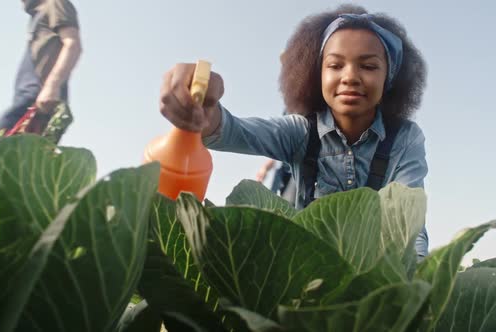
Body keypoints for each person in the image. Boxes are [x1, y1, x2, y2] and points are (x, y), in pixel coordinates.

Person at [159, 4, 429, 258]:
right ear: (317, 76)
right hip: (303, 279)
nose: (349, 77)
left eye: (369, 66)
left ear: (389, 77)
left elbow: (410, 225)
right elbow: (236, 131)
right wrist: (204, 110)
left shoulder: (404, 139)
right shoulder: (301, 132)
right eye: (335, 65)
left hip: (372, 283)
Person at [0, 0, 82, 144]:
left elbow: (72, 43)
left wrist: (52, 87)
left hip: (37, 100)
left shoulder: (55, 3)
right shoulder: (38, 15)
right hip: (28, 97)